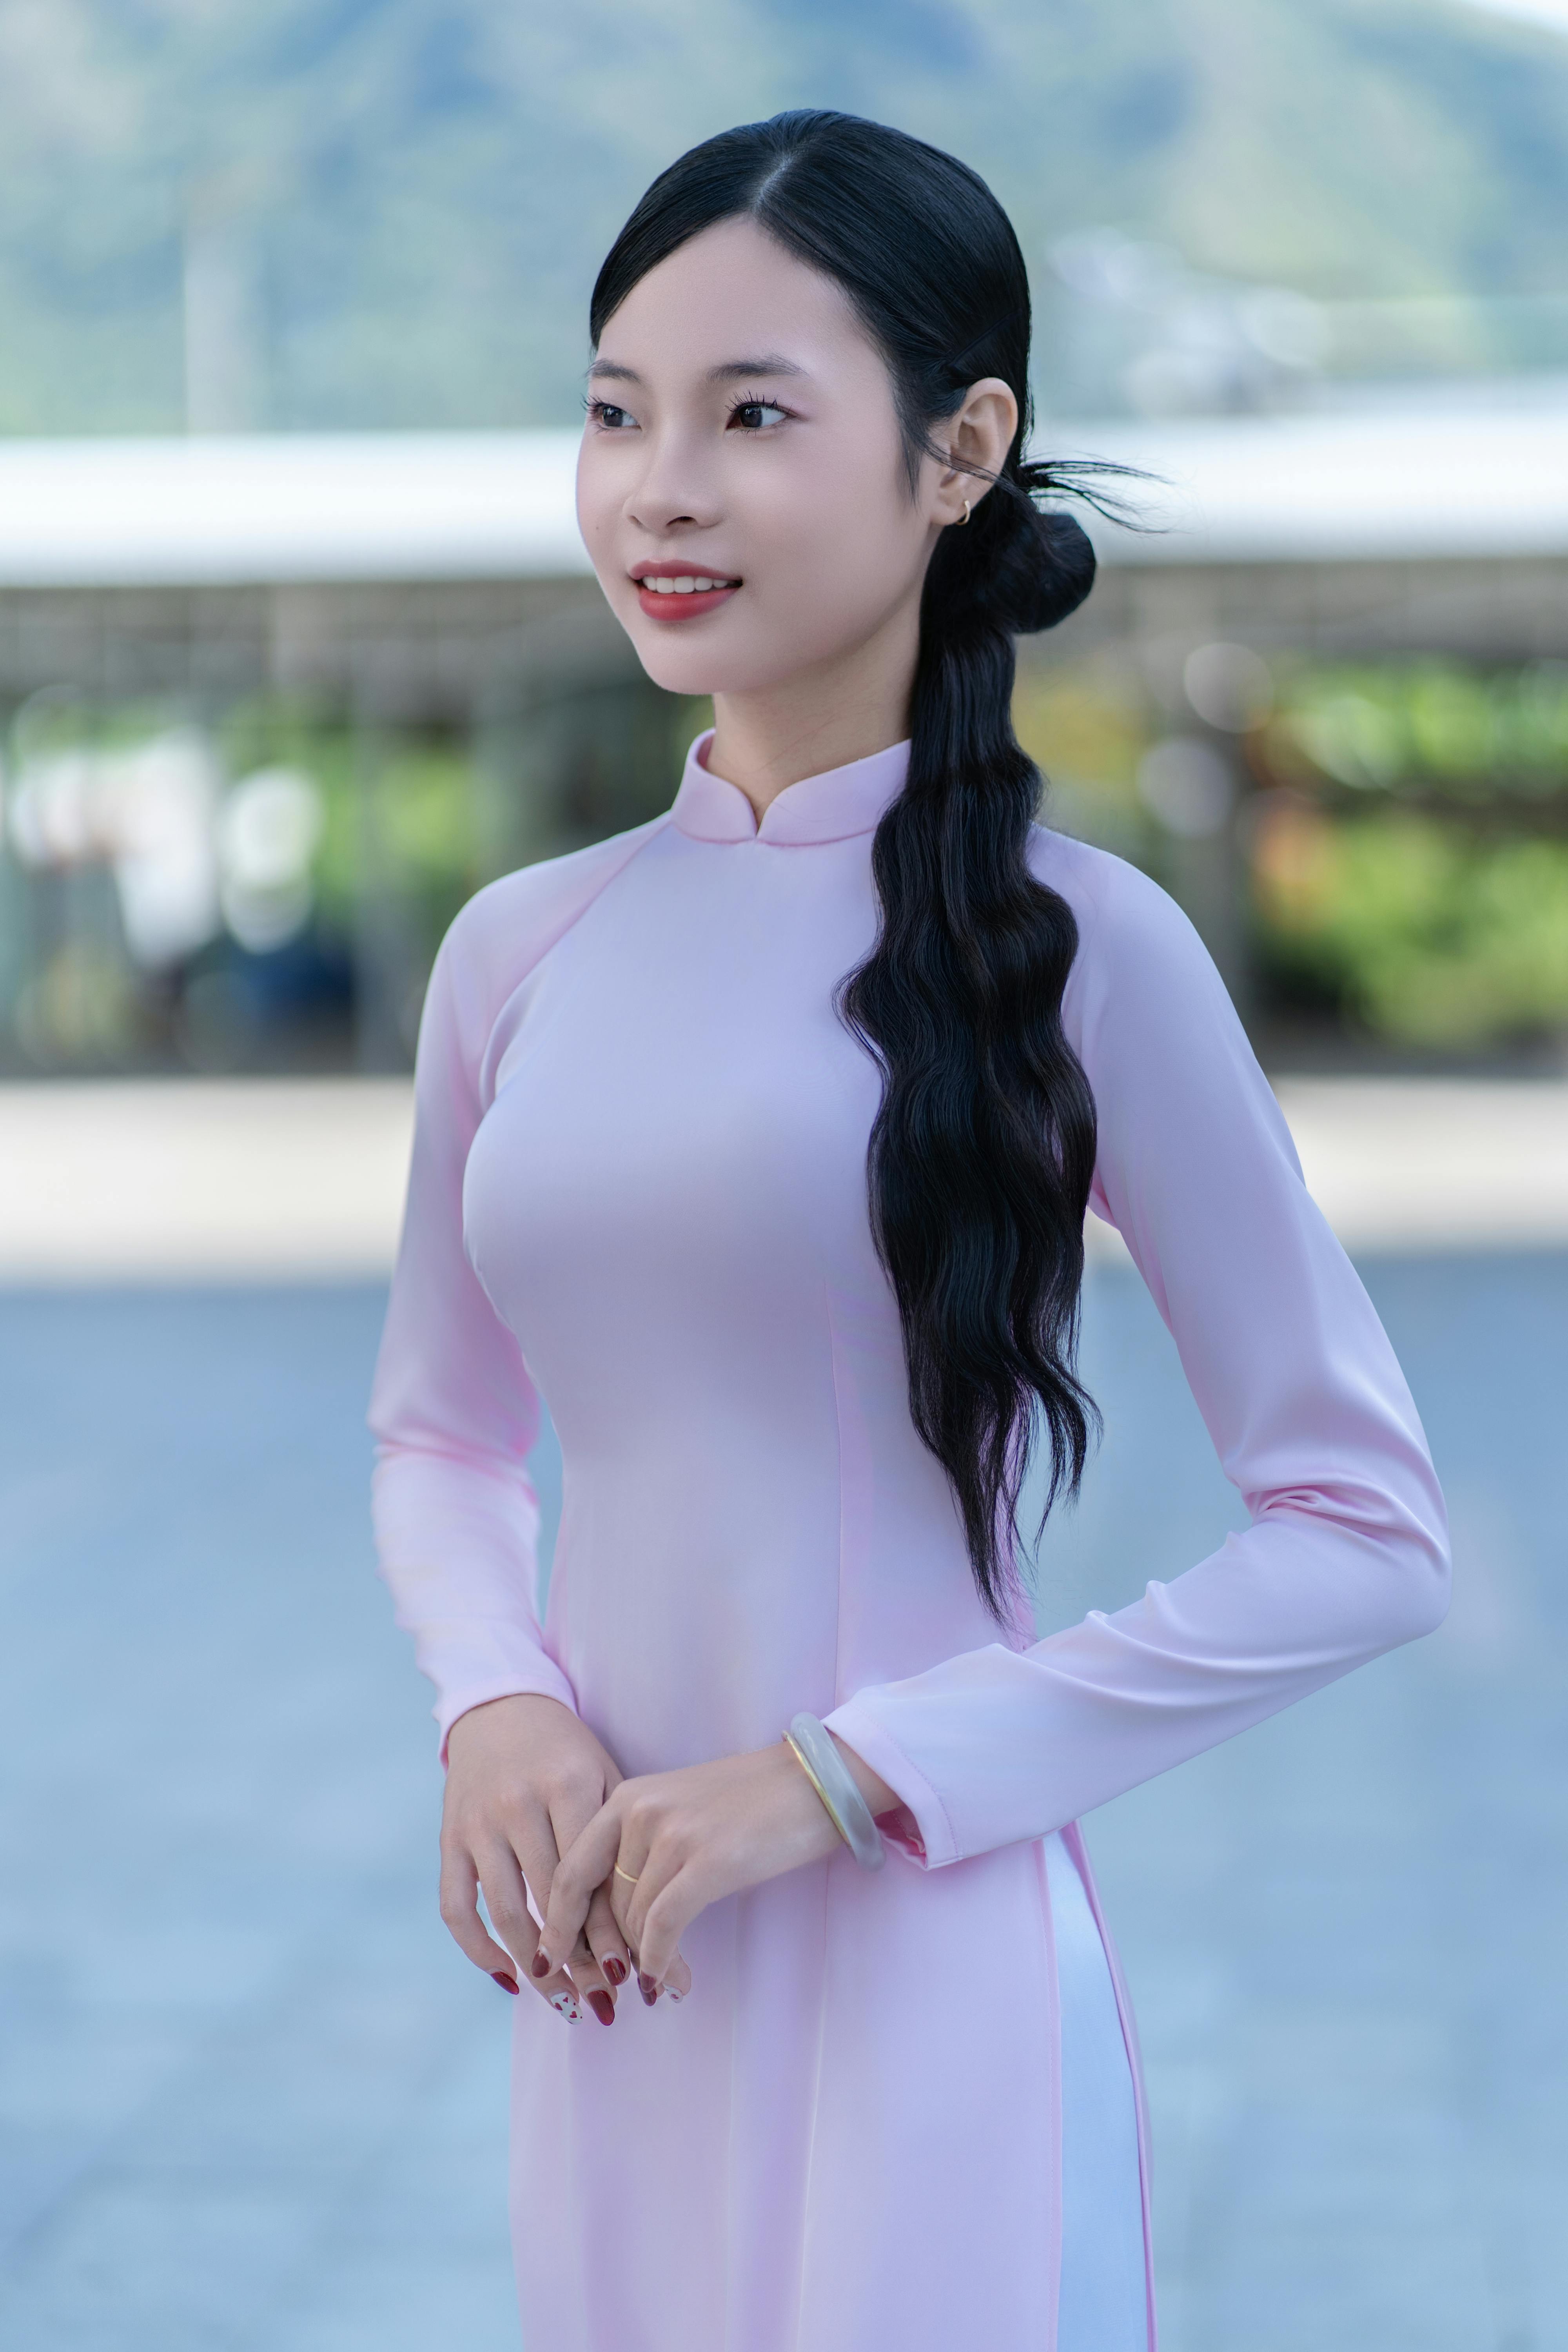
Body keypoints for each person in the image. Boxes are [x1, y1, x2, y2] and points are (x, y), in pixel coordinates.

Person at [367, 109, 1449, 2352]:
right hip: (610, 1978)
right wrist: (496, 1705)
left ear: (961, 451)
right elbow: (439, 1438)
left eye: (753, 413)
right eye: (614, 413)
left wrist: (846, 1779)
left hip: (926, 1978)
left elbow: (1364, 1528)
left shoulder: (1087, 949)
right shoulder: (522, 951)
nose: (659, 486)